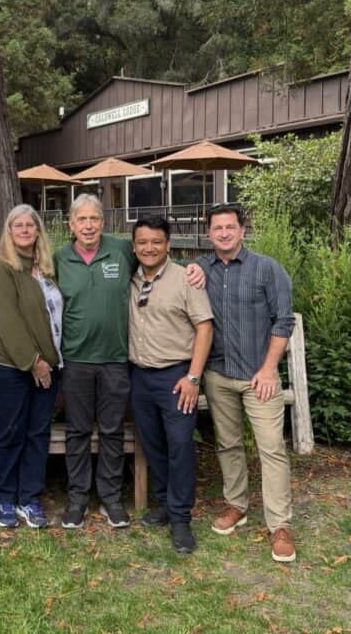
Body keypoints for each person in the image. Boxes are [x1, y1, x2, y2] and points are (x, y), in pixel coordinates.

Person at [54, 194, 206, 530]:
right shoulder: (59, 258)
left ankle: (110, 498)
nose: (88, 225)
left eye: (94, 219)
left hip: (117, 361)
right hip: (76, 360)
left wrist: (199, 266)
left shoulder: (122, 250)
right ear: (71, 224)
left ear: (103, 222)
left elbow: (158, 258)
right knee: (77, 431)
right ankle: (78, 498)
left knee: (111, 431)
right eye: (82, 220)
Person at [196, 202, 297, 563]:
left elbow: (283, 321)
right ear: (208, 233)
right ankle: (236, 505)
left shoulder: (267, 269)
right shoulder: (199, 270)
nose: (223, 233)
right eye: (216, 228)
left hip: (259, 377)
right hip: (218, 375)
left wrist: (270, 368)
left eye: (229, 227)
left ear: (242, 230)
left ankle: (280, 525)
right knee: (228, 444)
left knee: (271, 447)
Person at [128, 215, 213, 553]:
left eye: (156, 242)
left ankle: (181, 519)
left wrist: (193, 377)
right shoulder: (130, 278)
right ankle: (164, 503)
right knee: (153, 445)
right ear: (134, 246)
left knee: (179, 445)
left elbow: (204, 327)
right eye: (143, 242)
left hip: (176, 377)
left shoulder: (185, 279)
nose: (149, 248)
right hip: (139, 376)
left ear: (168, 244)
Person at [0, 204, 62, 529]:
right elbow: (7, 320)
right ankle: (5, 499)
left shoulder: (47, 269)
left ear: (38, 231)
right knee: (10, 432)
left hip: (47, 367)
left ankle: (30, 499)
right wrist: (33, 362)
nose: (25, 230)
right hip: (8, 366)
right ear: (9, 233)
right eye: (18, 225)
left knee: (37, 434)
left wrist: (47, 362)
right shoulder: (2, 269)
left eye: (31, 225)